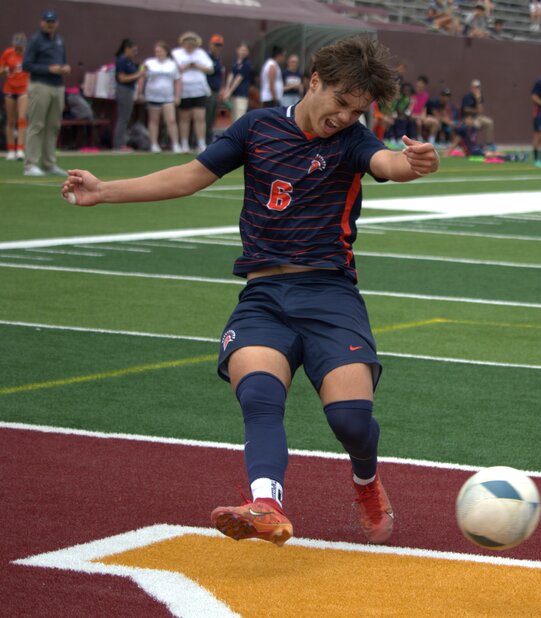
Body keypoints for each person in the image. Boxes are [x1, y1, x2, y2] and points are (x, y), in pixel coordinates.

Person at [61, 35, 440, 548]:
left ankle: (367, 482)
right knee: (260, 394)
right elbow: (188, 177)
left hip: (329, 296)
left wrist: (412, 163)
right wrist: (104, 191)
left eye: (357, 110)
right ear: (315, 82)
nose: (346, 117)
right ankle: (266, 503)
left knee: (351, 420)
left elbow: (386, 164)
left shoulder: (353, 141)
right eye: (340, 103)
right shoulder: (258, 127)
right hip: (264, 298)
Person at [22, 10, 69, 176]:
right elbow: (26, 65)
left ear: (57, 23)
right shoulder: (35, 40)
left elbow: (63, 60)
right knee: (37, 124)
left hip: (58, 86)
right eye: (48, 22)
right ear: (42, 23)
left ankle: (49, 164)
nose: (50, 25)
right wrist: (48, 69)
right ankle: (30, 164)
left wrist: (65, 68)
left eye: (53, 22)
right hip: (40, 85)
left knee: (53, 126)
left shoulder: (60, 40)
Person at [171, 31, 213, 153]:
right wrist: (186, 66)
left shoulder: (201, 54)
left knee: (199, 117)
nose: (190, 46)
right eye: (187, 43)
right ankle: (184, 143)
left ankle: (201, 143)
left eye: (192, 44)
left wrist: (196, 65)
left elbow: (210, 69)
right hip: (183, 90)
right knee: (184, 118)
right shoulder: (176, 53)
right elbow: (174, 69)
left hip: (199, 90)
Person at [142, 41, 181, 153]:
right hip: (152, 96)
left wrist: (177, 96)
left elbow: (177, 80)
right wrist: (140, 92)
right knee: (154, 120)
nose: (158, 53)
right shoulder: (149, 62)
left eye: (160, 51)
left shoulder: (172, 64)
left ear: (166, 51)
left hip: (168, 97)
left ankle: (175, 144)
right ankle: (154, 144)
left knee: (171, 120)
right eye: (156, 51)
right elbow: (141, 76)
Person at [113, 38, 145, 152]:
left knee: (126, 118)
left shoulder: (129, 60)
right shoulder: (122, 60)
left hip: (130, 90)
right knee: (123, 118)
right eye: (133, 50)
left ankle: (122, 143)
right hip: (124, 90)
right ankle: (119, 144)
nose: (135, 53)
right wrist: (138, 74)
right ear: (127, 48)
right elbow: (122, 78)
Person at [1, 33, 29, 161]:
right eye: (17, 46)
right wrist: (5, 69)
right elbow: (1, 68)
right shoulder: (8, 53)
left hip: (23, 89)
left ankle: (20, 149)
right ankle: (11, 149)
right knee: (11, 120)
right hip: (10, 89)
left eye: (21, 46)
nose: (19, 49)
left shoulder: (28, 55)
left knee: (22, 118)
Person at [204, 34, 226, 144]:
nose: (217, 47)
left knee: (212, 116)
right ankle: (202, 139)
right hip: (209, 91)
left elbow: (221, 75)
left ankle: (207, 138)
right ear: (210, 45)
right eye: (215, 45)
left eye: (220, 45)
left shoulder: (218, 59)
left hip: (216, 91)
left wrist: (222, 88)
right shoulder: (206, 57)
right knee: (206, 116)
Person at [222, 42, 252, 122]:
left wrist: (229, 92)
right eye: (241, 49)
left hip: (241, 94)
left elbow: (238, 79)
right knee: (233, 117)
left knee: (239, 117)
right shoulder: (235, 62)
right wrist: (227, 89)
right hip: (233, 94)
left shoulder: (247, 64)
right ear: (237, 50)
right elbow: (231, 75)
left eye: (245, 50)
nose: (243, 52)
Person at [461, 79, 494, 150]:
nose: (476, 89)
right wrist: (476, 110)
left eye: (478, 87)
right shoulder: (467, 97)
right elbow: (466, 109)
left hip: (477, 117)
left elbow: (481, 111)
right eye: (475, 87)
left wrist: (478, 100)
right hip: (467, 118)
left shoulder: (480, 97)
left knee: (489, 122)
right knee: (476, 124)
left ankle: (489, 144)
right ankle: (472, 144)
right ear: (471, 88)